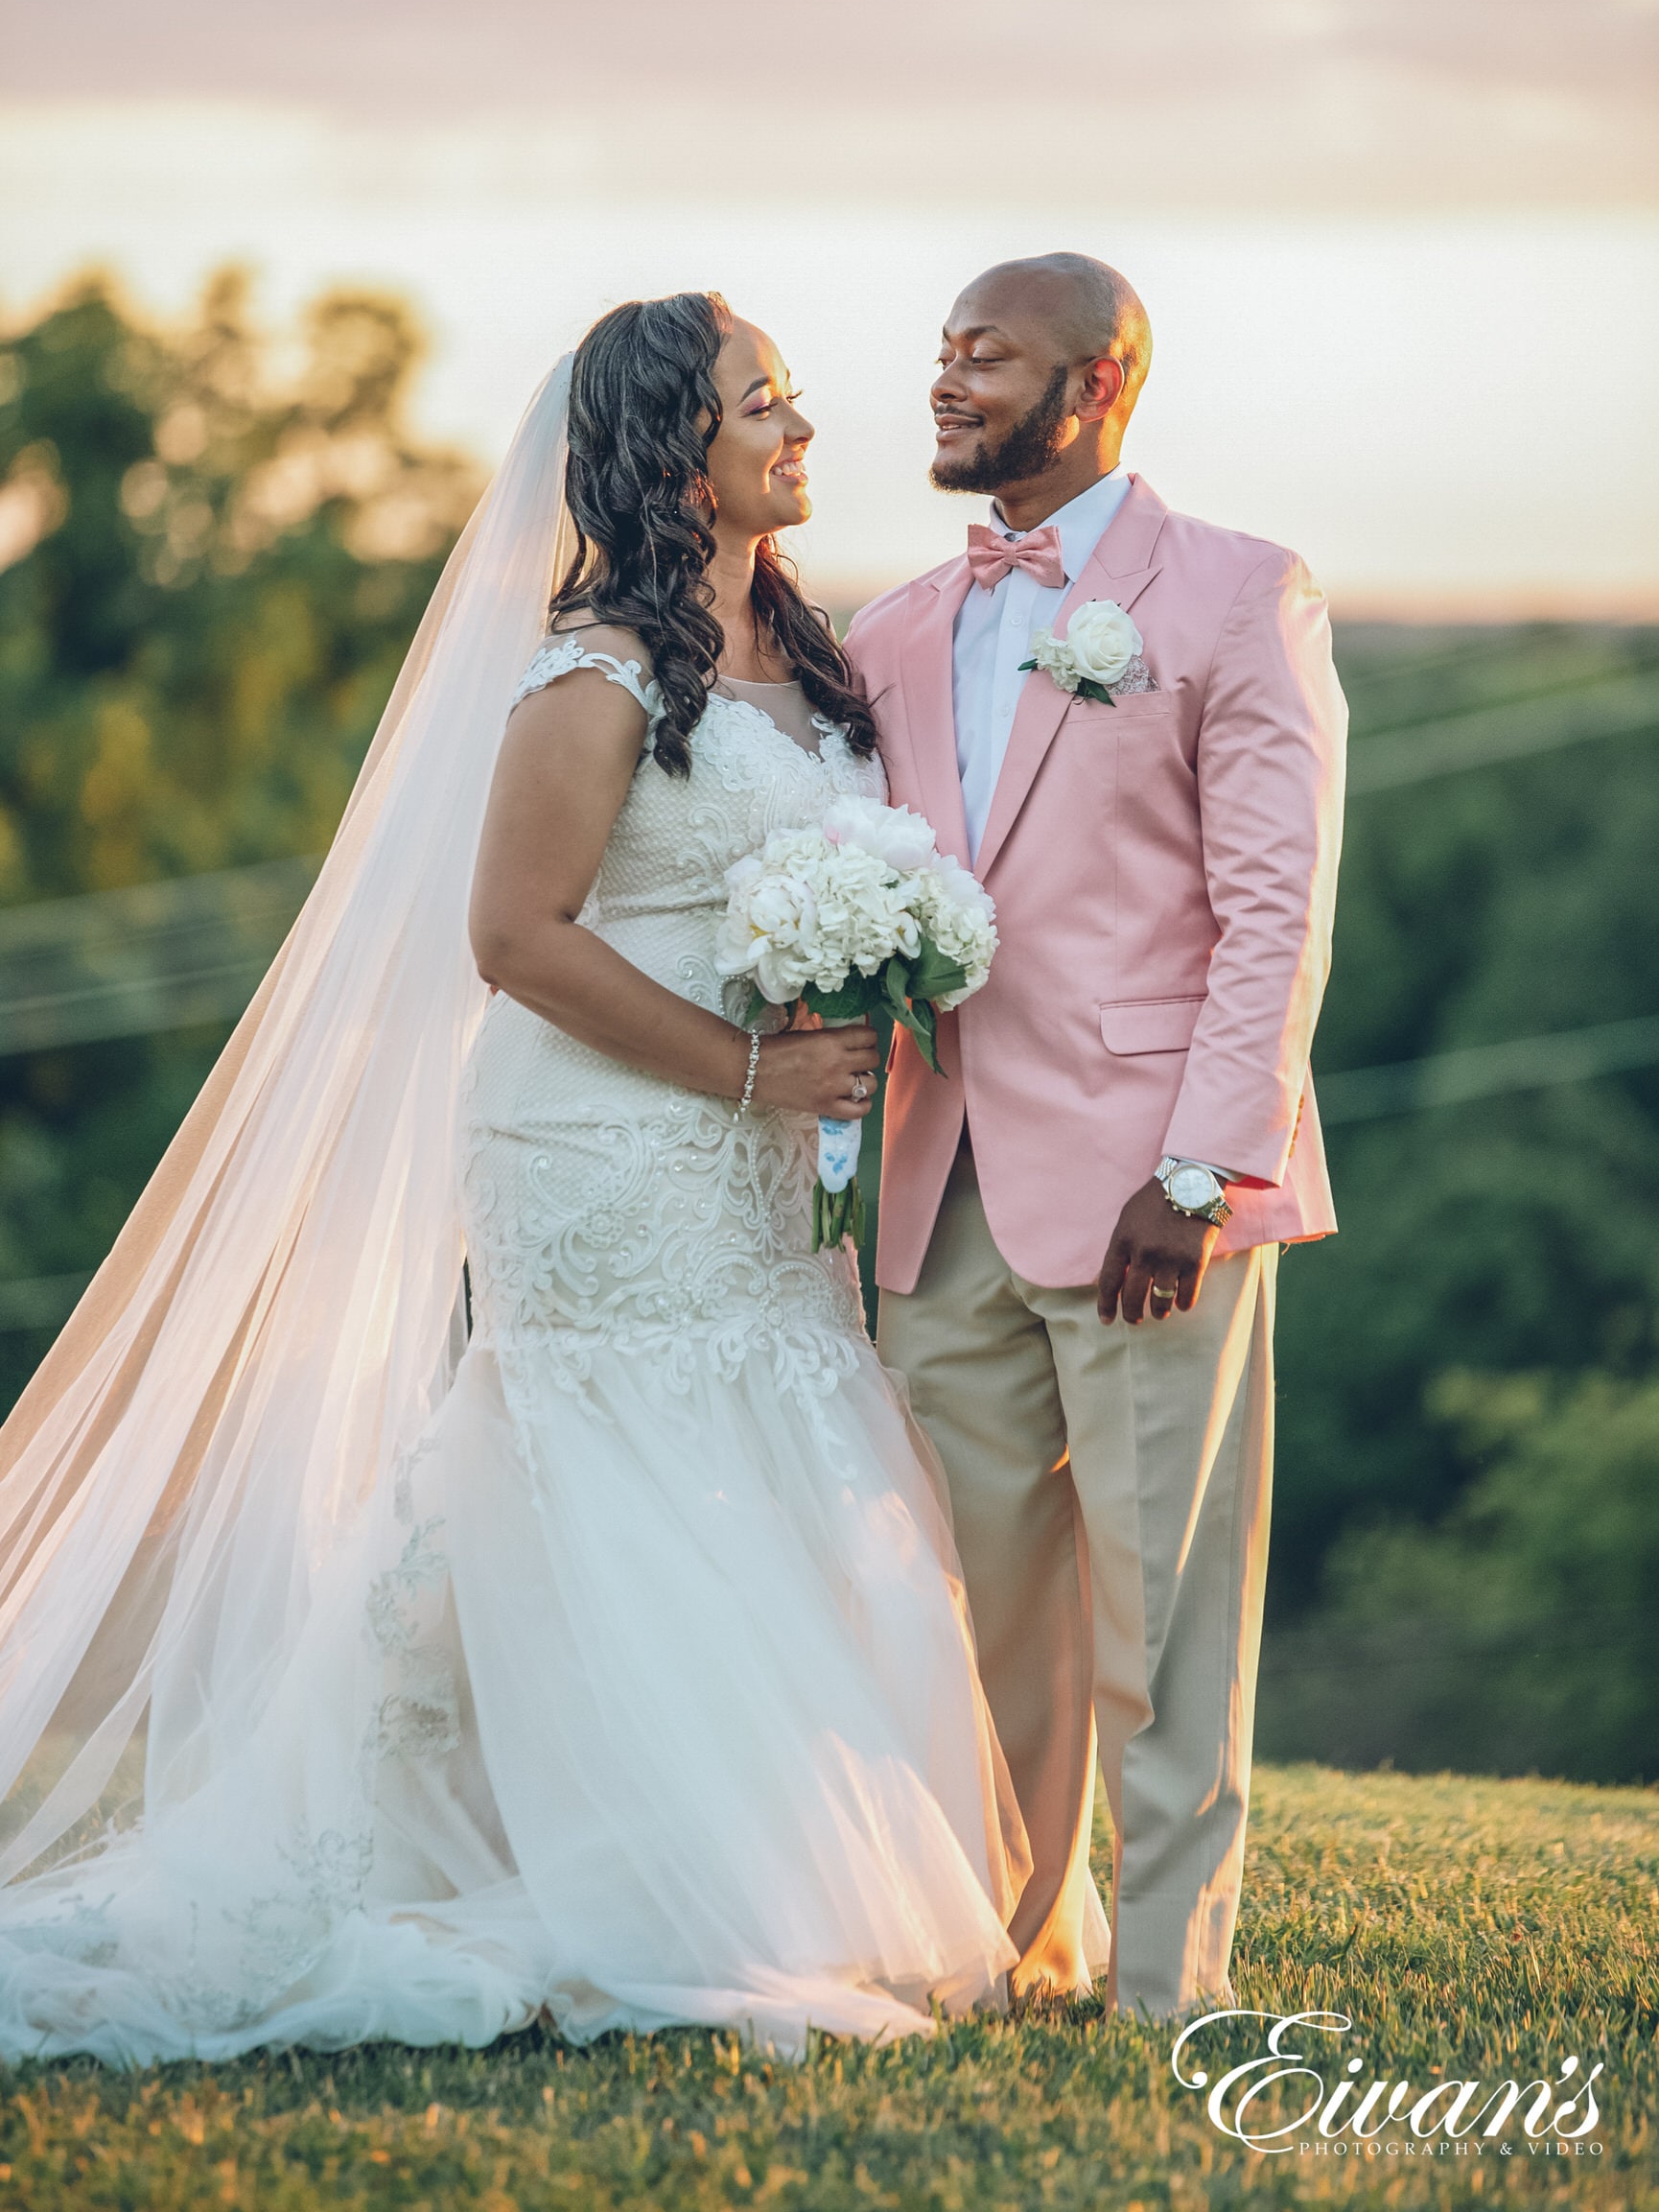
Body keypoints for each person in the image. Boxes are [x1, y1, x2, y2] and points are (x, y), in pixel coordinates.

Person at [0, 292, 1029, 2066]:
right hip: (602, 1140)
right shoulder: (593, 676)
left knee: (768, 1444)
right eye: (759, 401)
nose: (798, 423)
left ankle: (768, 1844)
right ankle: (672, 1873)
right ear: (668, 454)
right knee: (626, 1462)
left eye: (787, 392)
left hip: (767, 1162)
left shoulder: (816, 653)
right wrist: (745, 1068)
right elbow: (511, 937)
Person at [845, 252, 1347, 2021]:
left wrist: (1207, 1168)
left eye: (987, 354)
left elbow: (1273, 908)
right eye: (940, 351)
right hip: (940, 1189)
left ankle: (1168, 1986)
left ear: (1101, 378)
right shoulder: (896, 626)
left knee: (1164, 1612)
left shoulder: (1233, 594)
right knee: (972, 1617)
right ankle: (997, 1947)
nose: (947, 380)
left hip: (1155, 1190)